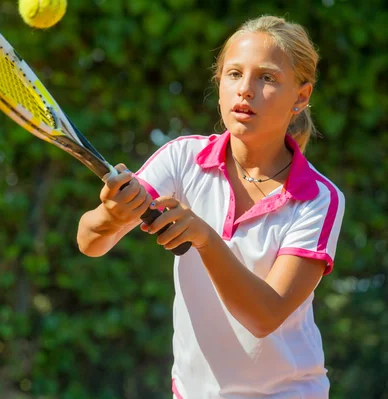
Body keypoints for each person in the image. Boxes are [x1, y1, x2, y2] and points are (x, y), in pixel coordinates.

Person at [76, 15, 345, 399]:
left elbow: (264, 314)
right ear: (219, 85)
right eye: (234, 74)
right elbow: (90, 242)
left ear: (301, 97)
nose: (245, 90)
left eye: (267, 78)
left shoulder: (319, 198)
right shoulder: (182, 158)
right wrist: (112, 215)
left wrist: (204, 237)